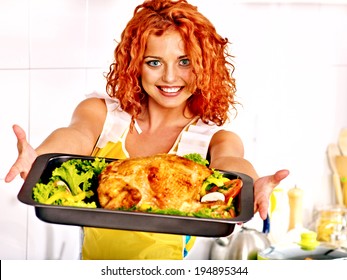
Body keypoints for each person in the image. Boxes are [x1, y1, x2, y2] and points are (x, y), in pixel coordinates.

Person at [5, 0, 289, 260]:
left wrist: (250, 185)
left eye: (185, 62)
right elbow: (77, 135)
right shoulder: (102, 113)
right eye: (154, 62)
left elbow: (231, 163)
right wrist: (41, 156)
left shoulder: (212, 138)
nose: (169, 77)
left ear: (205, 66)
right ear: (135, 65)